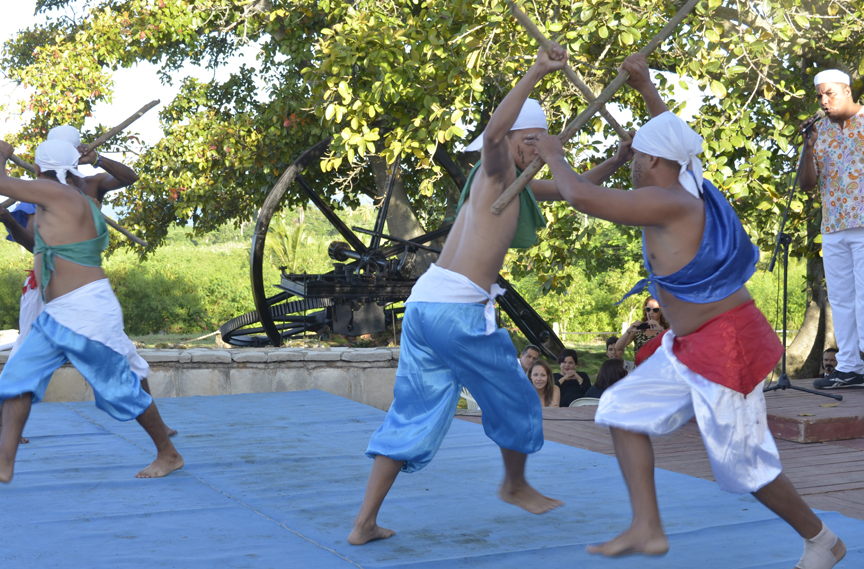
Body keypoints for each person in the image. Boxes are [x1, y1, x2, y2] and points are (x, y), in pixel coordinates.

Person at [527, 53, 845, 567]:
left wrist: (553, 151)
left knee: (743, 469)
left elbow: (581, 196)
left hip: (728, 347)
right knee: (621, 411)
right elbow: (676, 138)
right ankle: (647, 527)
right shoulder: (687, 179)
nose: (630, 164)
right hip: (690, 346)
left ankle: (822, 539)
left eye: (636, 158)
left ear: (654, 163)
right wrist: (646, 84)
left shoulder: (670, 201)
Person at [348, 42, 633, 546]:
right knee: (521, 399)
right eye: (531, 142)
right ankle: (515, 484)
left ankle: (364, 523)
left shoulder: (520, 184)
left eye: (539, 142)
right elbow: (496, 134)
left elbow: (578, 189)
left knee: (413, 414)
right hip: (456, 310)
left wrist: (618, 156)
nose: (535, 152)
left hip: (425, 307)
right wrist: (538, 69)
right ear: (516, 140)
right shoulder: (498, 169)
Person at [0, 139, 183, 482]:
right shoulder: (64, 196)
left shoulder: (61, 194)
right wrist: (8, 217)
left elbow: (2, 183)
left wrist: (1, 155)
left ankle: (168, 453)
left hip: (86, 312)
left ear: (39, 169)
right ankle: (3, 462)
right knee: (16, 379)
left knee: (120, 388)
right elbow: (37, 244)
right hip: (56, 315)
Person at [800, 69, 864, 390]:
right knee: (840, 298)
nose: (824, 102)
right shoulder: (819, 131)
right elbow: (807, 185)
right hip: (834, 225)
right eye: (820, 96)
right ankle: (851, 366)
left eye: (830, 94)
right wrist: (808, 148)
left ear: (848, 91)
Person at [615, 296, 668, 361]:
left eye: (655, 310)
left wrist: (661, 331)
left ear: (661, 311)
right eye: (648, 309)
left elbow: (674, 348)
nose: (651, 312)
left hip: (659, 370)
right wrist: (629, 330)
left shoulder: (666, 329)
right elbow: (618, 347)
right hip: (640, 369)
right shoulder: (639, 329)